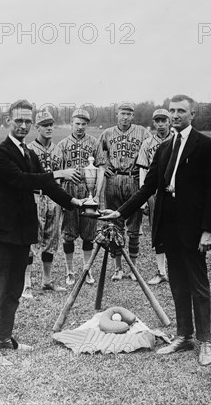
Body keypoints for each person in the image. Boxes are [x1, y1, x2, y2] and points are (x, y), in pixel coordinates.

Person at [101, 94, 211, 366]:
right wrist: (121, 212)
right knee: (178, 283)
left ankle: (205, 342)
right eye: (172, 110)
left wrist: (208, 230)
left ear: (193, 114)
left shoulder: (204, 145)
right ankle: (184, 336)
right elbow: (148, 186)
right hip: (168, 226)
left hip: (193, 229)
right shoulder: (165, 147)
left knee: (198, 286)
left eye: (181, 111)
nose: (175, 115)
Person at [0, 99, 84, 366]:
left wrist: (75, 204)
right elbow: (23, 180)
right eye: (18, 120)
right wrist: (57, 173)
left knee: (14, 288)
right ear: (8, 122)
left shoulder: (28, 153)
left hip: (23, 230)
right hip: (2, 231)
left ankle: (4, 338)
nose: (23, 125)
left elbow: (46, 186)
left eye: (27, 121)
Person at [95, 102, 150, 281]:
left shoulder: (142, 132)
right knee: (114, 224)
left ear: (132, 116)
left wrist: (143, 170)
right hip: (114, 179)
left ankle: (133, 268)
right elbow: (98, 154)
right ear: (116, 115)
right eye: (122, 113)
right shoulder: (107, 133)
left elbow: (152, 151)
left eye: (128, 114)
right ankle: (118, 268)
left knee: (134, 226)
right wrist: (104, 165)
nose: (125, 117)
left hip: (133, 178)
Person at [23, 110, 69, 297]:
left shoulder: (58, 149)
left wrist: (63, 199)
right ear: (37, 127)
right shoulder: (28, 149)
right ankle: (26, 284)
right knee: (31, 240)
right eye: (44, 125)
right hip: (35, 197)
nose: (49, 128)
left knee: (52, 240)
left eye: (51, 124)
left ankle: (47, 280)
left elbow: (63, 176)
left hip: (53, 198)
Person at [56, 108, 100, 286]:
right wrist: (60, 195)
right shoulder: (62, 145)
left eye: (83, 124)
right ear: (71, 124)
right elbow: (58, 172)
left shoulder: (94, 143)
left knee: (88, 234)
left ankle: (86, 269)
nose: (80, 127)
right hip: (69, 191)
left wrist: (96, 190)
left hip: (88, 190)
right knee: (69, 233)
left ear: (87, 125)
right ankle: (69, 271)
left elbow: (101, 167)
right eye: (77, 123)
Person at [135, 108, 173, 285]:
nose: (160, 124)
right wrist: (143, 196)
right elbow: (143, 169)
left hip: (175, 191)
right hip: (155, 191)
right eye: (157, 121)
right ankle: (161, 271)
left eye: (163, 120)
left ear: (169, 121)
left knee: (176, 229)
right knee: (157, 230)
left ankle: (176, 271)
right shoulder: (148, 143)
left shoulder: (177, 141)